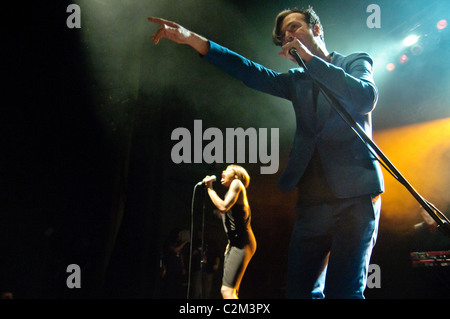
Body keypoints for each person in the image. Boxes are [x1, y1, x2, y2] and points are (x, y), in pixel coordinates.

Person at [149, 5, 384, 299]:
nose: (288, 36)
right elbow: (250, 71)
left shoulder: (355, 61)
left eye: (294, 28)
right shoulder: (295, 81)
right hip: (312, 201)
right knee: (301, 293)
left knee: (345, 291)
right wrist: (193, 39)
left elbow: (365, 98)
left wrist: (311, 61)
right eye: (283, 35)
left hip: (355, 194)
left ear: (317, 29)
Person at [202, 165, 256, 299]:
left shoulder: (237, 184)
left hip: (242, 243)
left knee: (227, 291)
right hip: (236, 243)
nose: (223, 172)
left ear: (236, 176)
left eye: (227, 170)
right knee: (232, 290)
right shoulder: (234, 192)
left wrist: (209, 188)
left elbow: (223, 206)